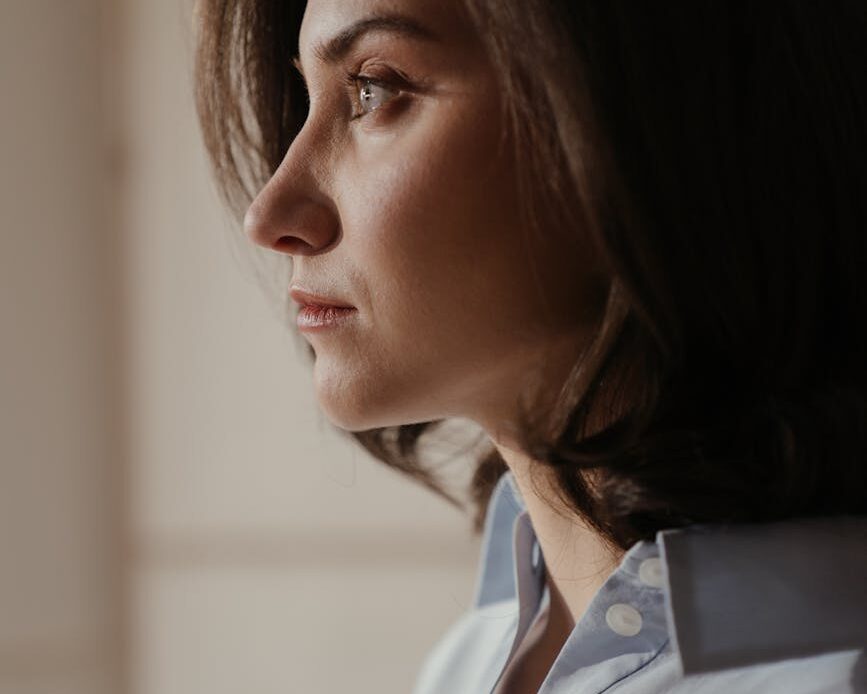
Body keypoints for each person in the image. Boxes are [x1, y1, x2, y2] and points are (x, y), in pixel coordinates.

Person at [193, 1, 867, 691]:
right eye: (308, 97)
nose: (270, 215)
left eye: (375, 89)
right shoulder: (470, 658)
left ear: (650, 117)